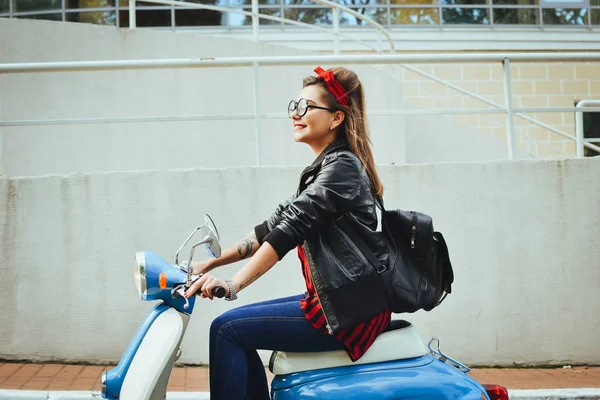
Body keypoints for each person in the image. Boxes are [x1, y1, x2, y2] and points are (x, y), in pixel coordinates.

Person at [184, 66, 391, 400]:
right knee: (235, 328)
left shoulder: (342, 169)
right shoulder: (324, 168)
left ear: (337, 118)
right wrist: (208, 266)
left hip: (346, 313)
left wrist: (233, 284)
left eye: (306, 107)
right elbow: (270, 228)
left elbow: (287, 232)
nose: (296, 114)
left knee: (226, 330)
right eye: (294, 106)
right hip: (334, 302)